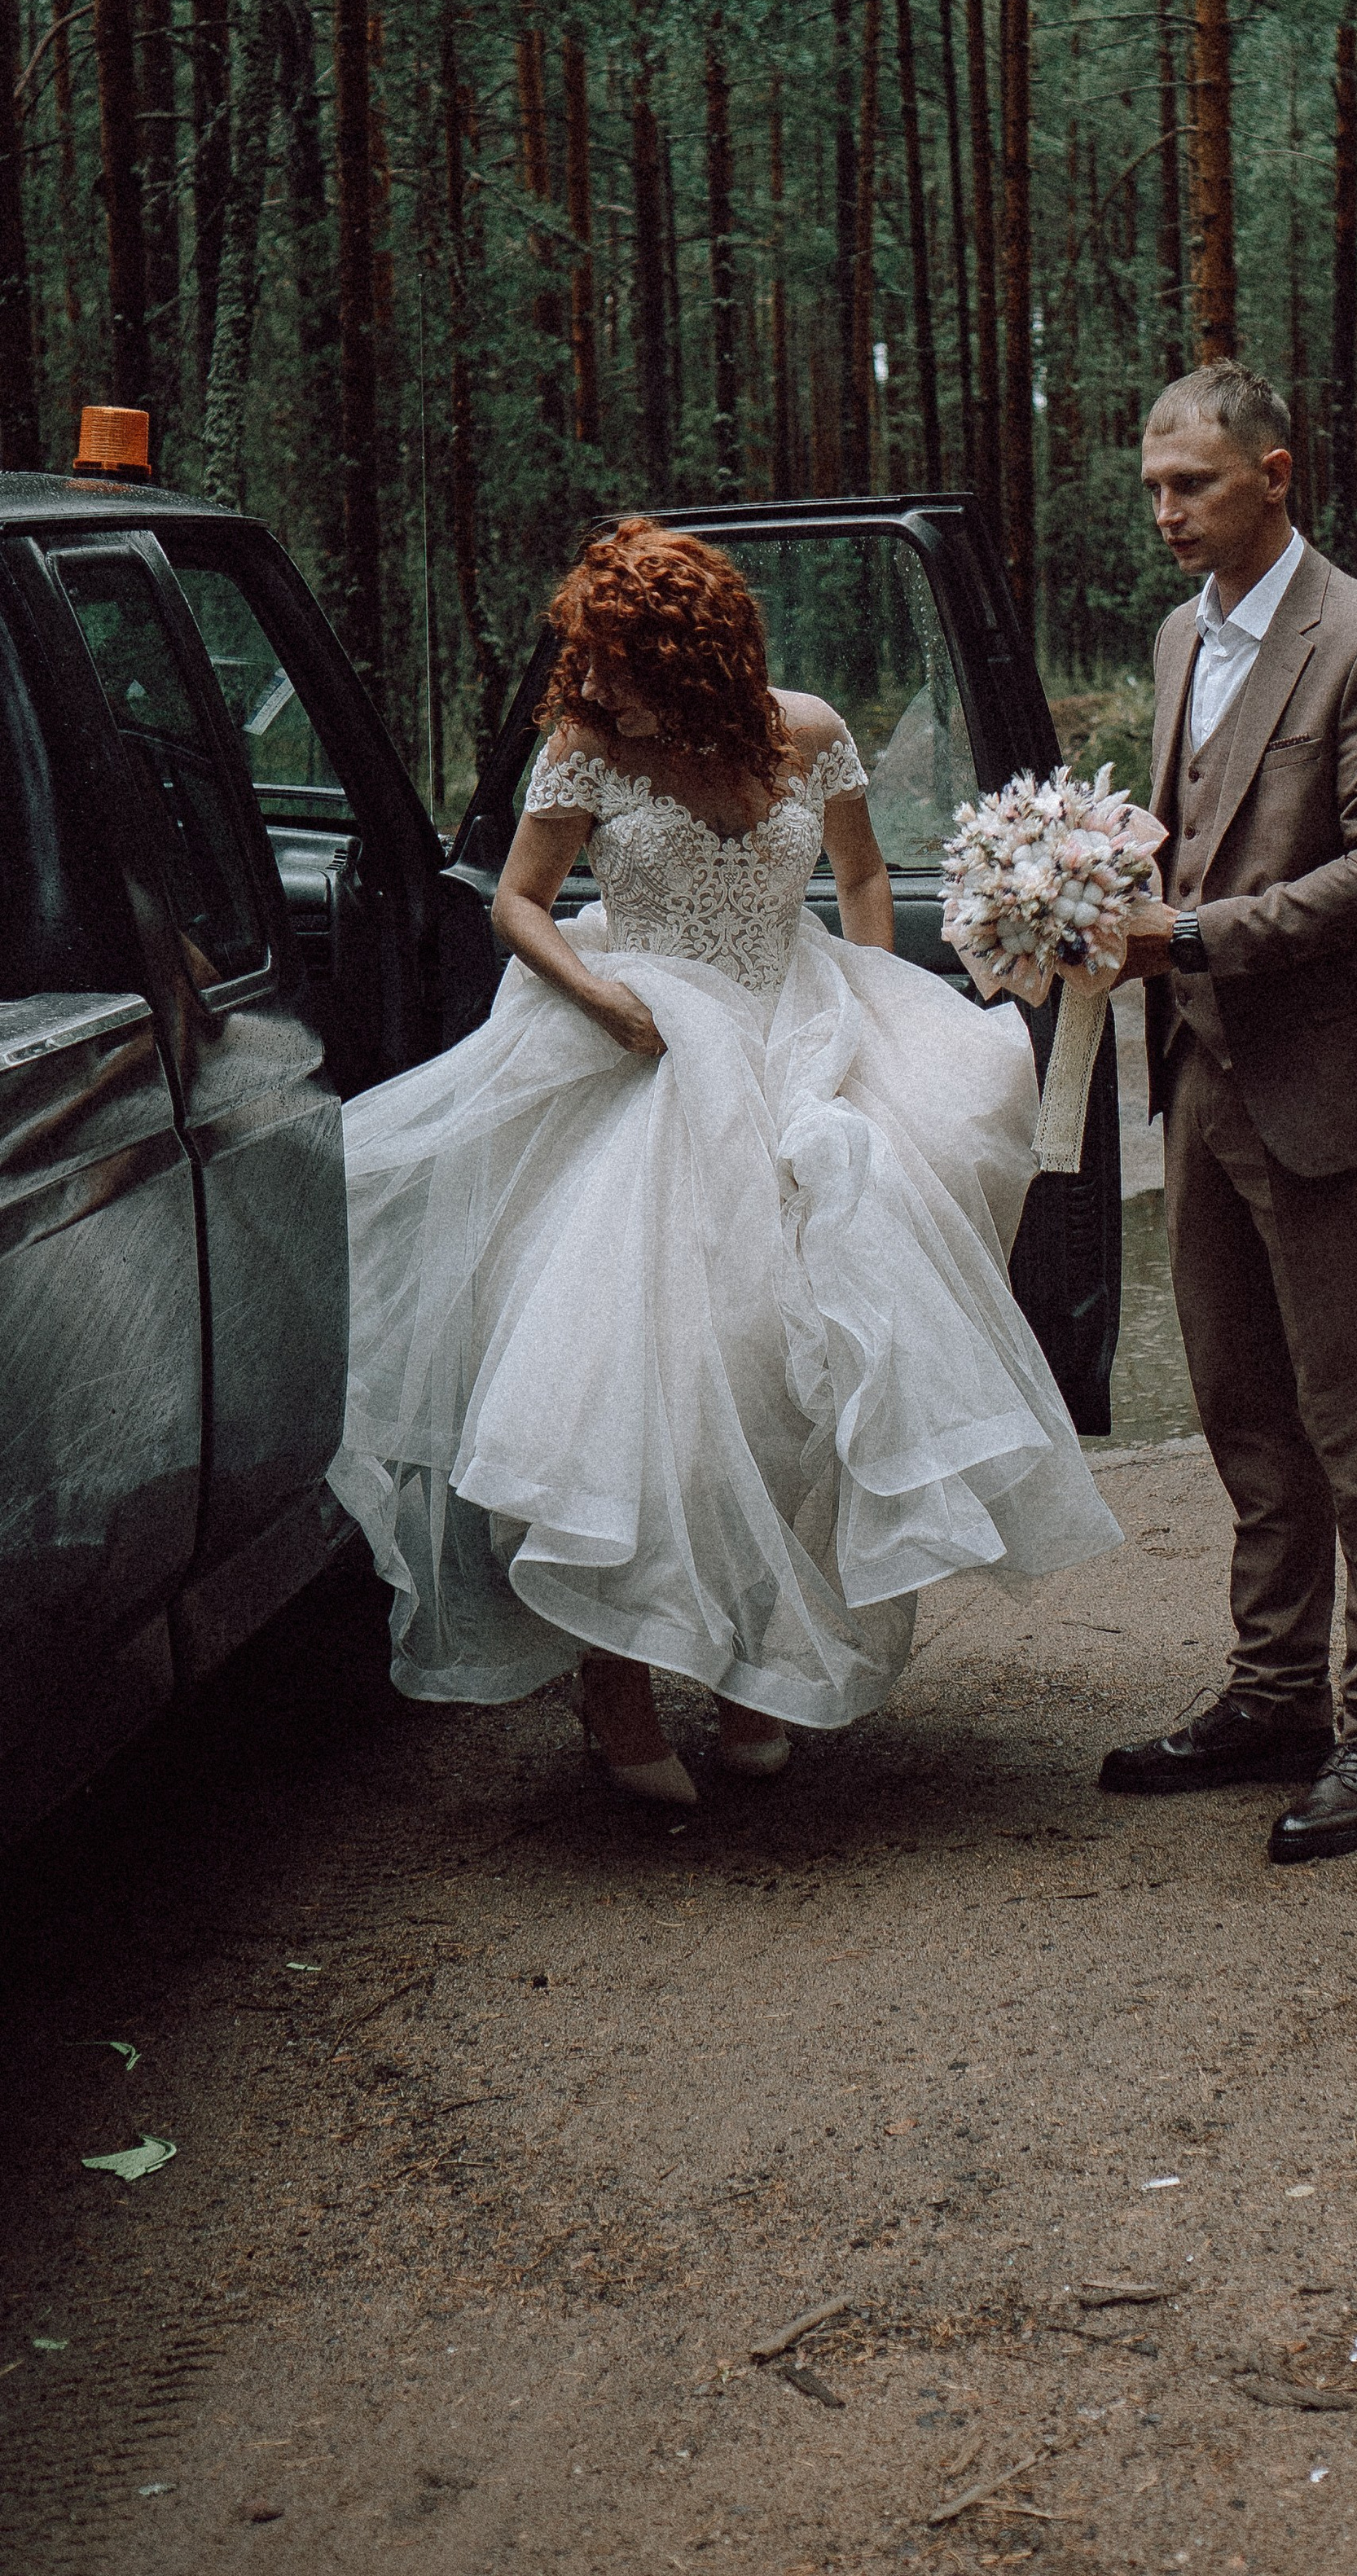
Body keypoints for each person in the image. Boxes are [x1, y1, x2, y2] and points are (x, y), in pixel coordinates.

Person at [328, 518, 1122, 1803]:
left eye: (617, 658)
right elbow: (517, 902)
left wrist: (872, 1010)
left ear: (691, 654)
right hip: (638, 1052)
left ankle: (760, 1662)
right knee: (642, 1385)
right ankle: (617, 1682)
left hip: (795, 1039)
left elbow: (862, 879)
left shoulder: (807, 733)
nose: (589, 684)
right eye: (586, 660)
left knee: (798, 1373)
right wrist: (603, 1000)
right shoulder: (590, 747)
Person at [1103, 364, 1357, 1864]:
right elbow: (1189, 826)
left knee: (1355, 1421)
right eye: (1155, 489)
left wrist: (1184, 938)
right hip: (1198, 1084)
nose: (1168, 514)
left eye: (1194, 484)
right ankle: (1272, 1696)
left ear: (1275, 475)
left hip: (1318, 1087)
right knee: (1242, 1410)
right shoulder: (1184, 635)